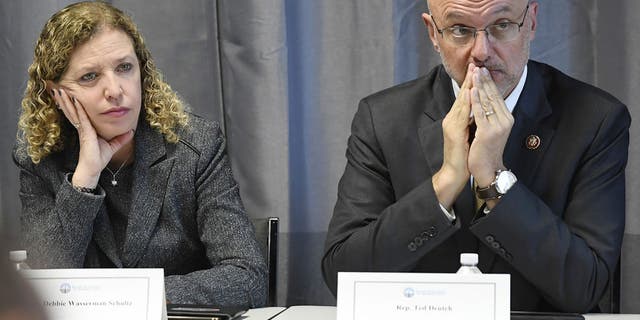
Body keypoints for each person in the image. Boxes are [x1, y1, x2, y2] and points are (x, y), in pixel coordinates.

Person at [322, 0, 630, 313]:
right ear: (433, 32)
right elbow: (344, 275)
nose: (481, 51)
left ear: (531, 23)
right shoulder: (383, 119)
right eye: (459, 29)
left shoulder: (595, 120)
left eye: (502, 25)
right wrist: (446, 181)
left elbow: (584, 288)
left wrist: (494, 181)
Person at [13, 1, 267, 307]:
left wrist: (132, 298)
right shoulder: (40, 159)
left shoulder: (196, 147)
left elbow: (247, 278)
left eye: (124, 68)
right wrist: (85, 179)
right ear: (56, 94)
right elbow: (44, 291)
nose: (115, 90)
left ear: (142, 73)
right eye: (89, 77)